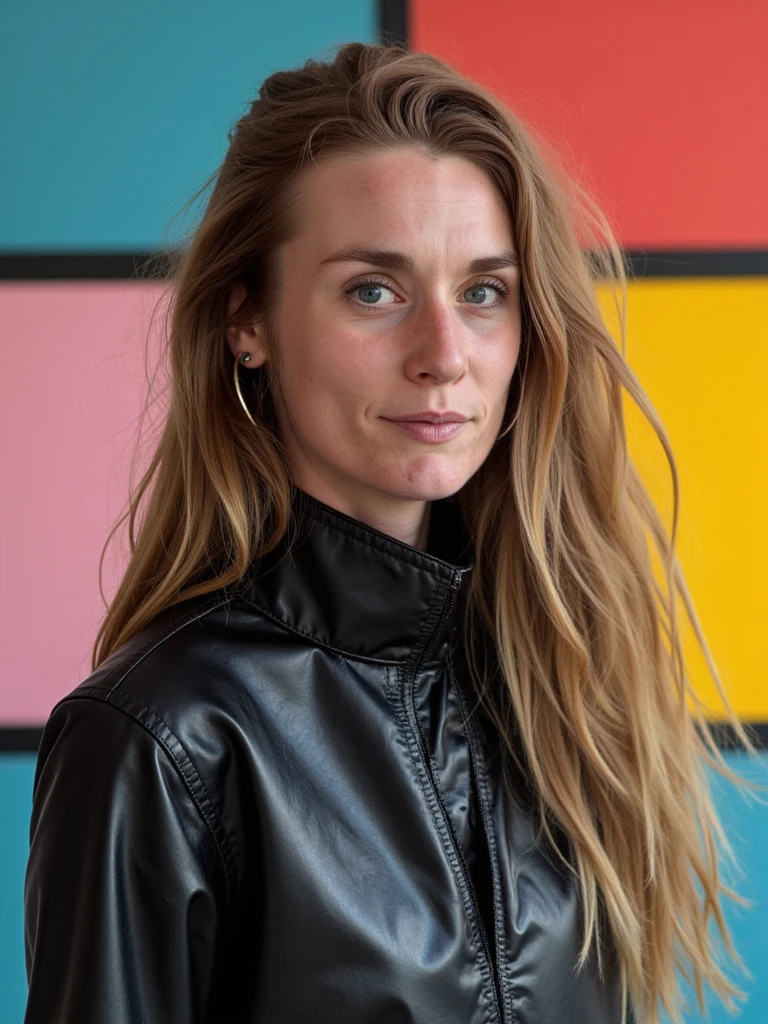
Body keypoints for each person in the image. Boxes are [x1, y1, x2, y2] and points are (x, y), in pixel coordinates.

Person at [23, 41, 751, 1024]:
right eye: (375, 289)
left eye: (484, 292)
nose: (444, 354)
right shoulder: (160, 737)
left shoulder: (561, 683)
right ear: (248, 322)